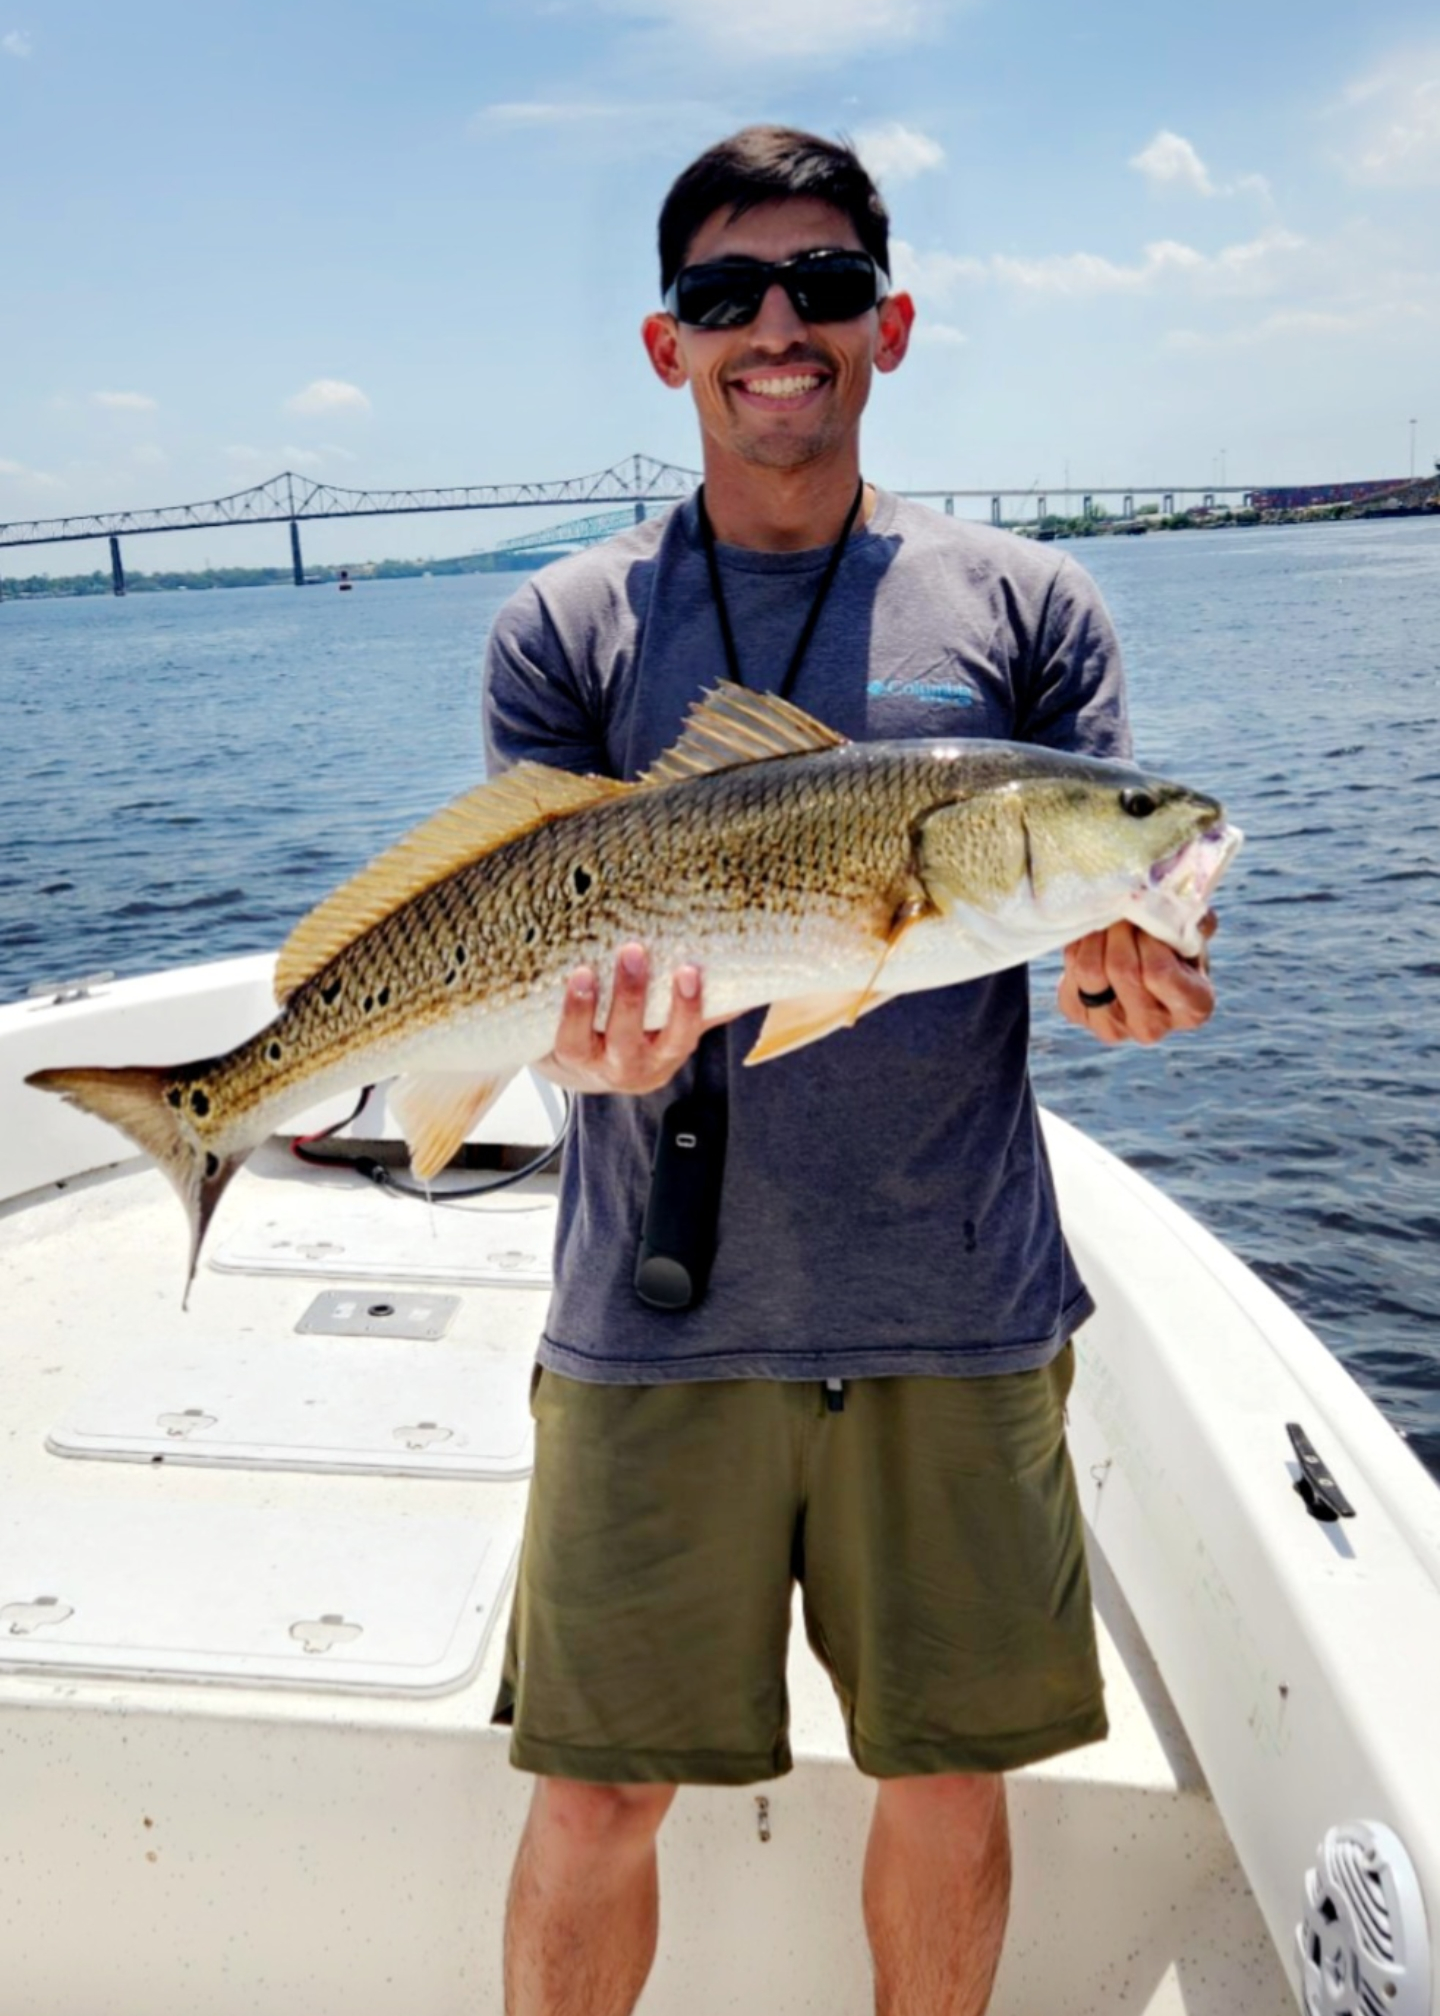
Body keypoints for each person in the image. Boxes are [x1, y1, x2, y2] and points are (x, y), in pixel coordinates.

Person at [482, 125, 1216, 2016]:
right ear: (670, 349)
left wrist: (1134, 987)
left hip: (950, 1299)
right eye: (727, 296)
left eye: (818, 287)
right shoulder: (564, 629)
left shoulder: (1034, 611)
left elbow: (1086, 979)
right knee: (593, 1797)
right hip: (652, 1314)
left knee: (946, 1776)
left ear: (888, 324)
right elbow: (526, 937)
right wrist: (586, 1057)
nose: (775, 327)